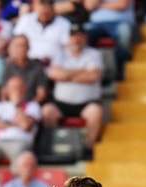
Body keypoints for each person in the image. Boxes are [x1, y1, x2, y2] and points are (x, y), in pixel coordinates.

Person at [41, 23, 105, 157]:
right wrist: (81, 73)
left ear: (85, 38)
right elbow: (54, 74)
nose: (76, 39)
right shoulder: (61, 53)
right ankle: (52, 147)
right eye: (73, 36)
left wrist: (67, 75)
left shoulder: (94, 54)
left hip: (87, 102)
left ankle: (89, 148)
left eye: (79, 36)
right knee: (47, 112)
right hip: (61, 102)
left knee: (96, 113)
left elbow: (93, 76)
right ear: (69, 38)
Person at [0, 77, 41, 167]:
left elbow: (25, 125)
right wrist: (16, 124)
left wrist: (17, 105)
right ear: (7, 90)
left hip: (19, 141)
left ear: (25, 90)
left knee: (22, 161)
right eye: (14, 88)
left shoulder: (32, 106)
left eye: (19, 88)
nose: (17, 91)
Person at [2, 34, 51, 106]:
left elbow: (41, 94)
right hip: (12, 105)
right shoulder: (9, 67)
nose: (21, 49)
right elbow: (3, 93)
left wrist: (28, 106)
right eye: (18, 46)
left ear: (28, 47)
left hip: (31, 105)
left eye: (23, 46)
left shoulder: (37, 67)